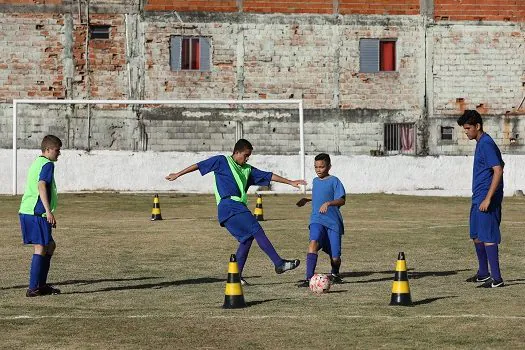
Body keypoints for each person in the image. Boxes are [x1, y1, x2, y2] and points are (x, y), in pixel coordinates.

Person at [165, 139, 305, 284]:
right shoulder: (221, 161)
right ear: (236, 152)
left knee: (247, 238)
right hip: (229, 205)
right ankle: (278, 263)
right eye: (245, 155)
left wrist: (290, 182)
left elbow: (268, 176)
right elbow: (199, 165)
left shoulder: (247, 169)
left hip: (233, 209)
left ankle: (235, 276)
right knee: (256, 229)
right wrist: (177, 174)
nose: (247, 158)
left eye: (249, 156)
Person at [457, 110, 505, 288]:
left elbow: (498, 169)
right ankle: (483, 273)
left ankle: (497, 279)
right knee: (477, 236)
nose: (466, 131)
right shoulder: (480, 143)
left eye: (468, 128)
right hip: (477, 198)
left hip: (486, 199)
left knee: (488, 236)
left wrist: (488, 198)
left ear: (477, 126)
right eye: (465, 129)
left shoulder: (486, 143)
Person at [19, 135, 63, 297]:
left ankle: (41, 284)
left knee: (50, 245)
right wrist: (48, 211)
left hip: (28, 211)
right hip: (36, 212)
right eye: (57, 150)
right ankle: (33, 288)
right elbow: (41, 185)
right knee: (41, 247)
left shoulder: (37, 162)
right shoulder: (47, 164)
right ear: (48, 150)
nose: (59, 153)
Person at [296, 153, 346, 287]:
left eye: (321, 167)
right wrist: (307, 199)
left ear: (329, 166)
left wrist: (329, 203)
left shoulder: (335, 181)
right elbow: (319, 196)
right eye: (316, 167)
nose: (318, 169)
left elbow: (342, 199)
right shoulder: (315, 181)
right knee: (313, 242)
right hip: (316, 219)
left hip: (333, 222)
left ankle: (335, 273)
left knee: (335, 257)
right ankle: (309, 278)